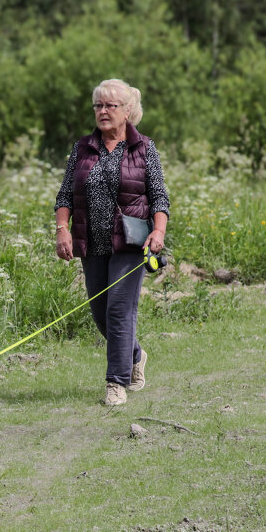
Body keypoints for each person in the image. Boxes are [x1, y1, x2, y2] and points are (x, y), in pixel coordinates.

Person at [54, 78, 170, 406]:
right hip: (92, 242)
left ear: (127, 111)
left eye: (110, 106)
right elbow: (65, 193)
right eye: (98, 106)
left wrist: (158, 232)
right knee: (100, 313)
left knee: (120, 309)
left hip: (131, 245)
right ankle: (134, 355)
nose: (103, 111)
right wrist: (62, 228)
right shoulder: (82, 148)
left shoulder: (144, 148)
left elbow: (159, 197)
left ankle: (115, 383)